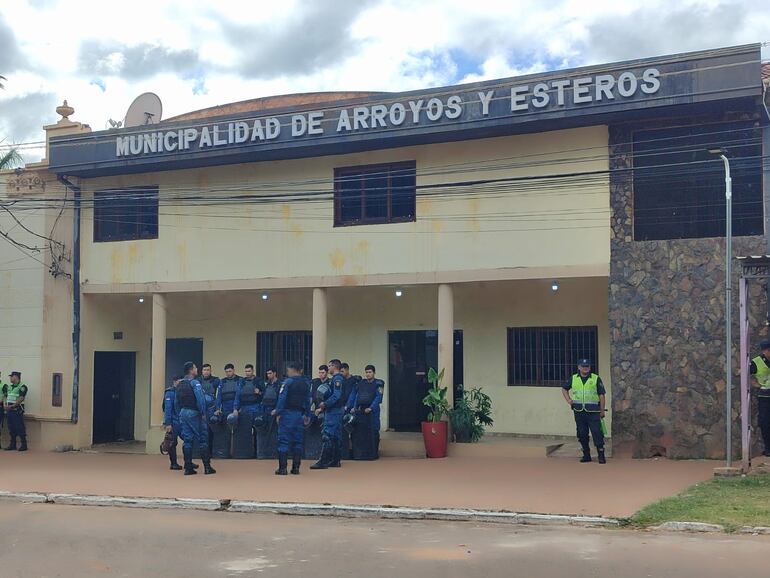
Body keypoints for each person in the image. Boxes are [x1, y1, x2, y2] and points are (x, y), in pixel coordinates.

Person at [174, 362, 216, 475]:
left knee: (187, 440)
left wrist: (180, 414)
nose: (197, 369)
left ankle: (188, 468)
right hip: (194, 413)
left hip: (183, 413)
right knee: (203, 439)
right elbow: (200, 399)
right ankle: (207, 467)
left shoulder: (180, 384)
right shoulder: (195, 383)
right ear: (191, 370)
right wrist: (202, 413)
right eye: (195, 368)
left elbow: (176, 402)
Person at [562, 359, 606, 464]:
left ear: (590, 367)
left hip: (593, 412)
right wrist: (569, 400)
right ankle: (586, 454)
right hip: (579, 411)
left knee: (597, 433)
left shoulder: (596, 378)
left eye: (587, 366)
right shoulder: (574, 378)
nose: (585, 368)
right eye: (583, 366)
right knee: (582, 433)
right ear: (579, 367)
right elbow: (564, 389)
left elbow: (601, 395)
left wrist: (602, 410)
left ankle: (601, 455)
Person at [274, 361, 311, 475]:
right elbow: (308, 401)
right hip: (299, 415)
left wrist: (278, 413)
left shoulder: (287, 382)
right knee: (298, 442)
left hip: (287, 414)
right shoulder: (306, 383)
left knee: (283, 441)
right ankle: (296, 468)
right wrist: (307, 415)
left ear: (291, 370)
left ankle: (283, 468)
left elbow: (282, 399)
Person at [311, 359, 345, 469]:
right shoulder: (335, 379)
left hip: (333, 410)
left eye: (329, 366)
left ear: (334, 366)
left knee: (328, 434)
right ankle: (335, 460)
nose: (328, 368)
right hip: (335, 410)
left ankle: (323, 461)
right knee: (335, 436)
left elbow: (336, 395)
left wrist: (324, 404)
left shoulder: (337, 379)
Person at [350, 364, 384, 460]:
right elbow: (358, 396)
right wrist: (354, 407)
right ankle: (362, 454)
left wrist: (371, 408)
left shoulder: (379, 383)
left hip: (373, 411)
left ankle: (374, 454)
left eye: (370, 372)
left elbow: (378, 397)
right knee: (362, 432)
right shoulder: (362, 383)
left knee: (374, 430)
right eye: (366, 372)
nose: (368, 374)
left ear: (374, 373)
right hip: (361, 411)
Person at [233, 363, 261, 458]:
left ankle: (257, 453)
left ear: (253, 371)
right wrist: (236, 409)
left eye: (249, 371)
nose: (247, 373)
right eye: (246, 371)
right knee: (245, 432)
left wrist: (259, 392)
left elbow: (265, 395)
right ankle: (247, 453)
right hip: (244, 408)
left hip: (256, 407)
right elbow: (238, 396)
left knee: (258, 431)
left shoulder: (259, 381)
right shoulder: (242, 381)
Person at [213, 363, 240, 458]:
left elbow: (238, 396)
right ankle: (226, 453)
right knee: (225, 432)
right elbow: (219, 396)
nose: (228, 373)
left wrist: (235, 409)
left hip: (236, 410)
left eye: (230, 371)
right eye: (227, 372)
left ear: (234, 370)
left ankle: (236, 453)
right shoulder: (222, 382)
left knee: (237, 432)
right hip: (225, 409)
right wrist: (217, 409)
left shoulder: (239, 380)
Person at [750, 340, 770, 457]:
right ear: (766, 351)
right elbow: (744, 373)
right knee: (765, 422)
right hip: (765, 397)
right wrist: (756, 384)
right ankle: (768, 448)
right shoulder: (756, 362)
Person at [305, 365, 330, 461]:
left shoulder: (330, 382)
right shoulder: (315, 382)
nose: (321, 374)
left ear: (326, 373)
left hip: (327, 410)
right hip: (316, 409)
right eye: (319, 372)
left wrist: (321, 409)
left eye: (323, 372)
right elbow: (311, 397)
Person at [256, 367, 281, 459]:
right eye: (267, 374)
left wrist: (278, 410)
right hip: (265, 410)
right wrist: (260, 393)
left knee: (274, 433)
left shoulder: (280, 384)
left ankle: (273, 454)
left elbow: (281, 398)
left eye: (270, 373)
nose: (268, 375)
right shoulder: (267, 384)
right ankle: (265, 453)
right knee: (265, 432)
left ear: (275, 373)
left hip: (274, 410)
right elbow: (265, 396)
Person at [339, 362, 360, 460]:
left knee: (354, 432)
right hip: (343, 408)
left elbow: (355, 395)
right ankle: (345, 454)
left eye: (342, 371)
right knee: (344, 433)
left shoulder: (355, 380)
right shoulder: (340, 381)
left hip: (352, 409)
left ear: (347, 370)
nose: (341, 373)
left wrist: (352, 406)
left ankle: (355, 453)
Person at [162, 376, 184, 470]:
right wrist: (168, 423)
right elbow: (167, 409)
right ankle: (173, 463)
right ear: (175, 381)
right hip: (173, 422)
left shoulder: (182, 392)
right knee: (172, 442)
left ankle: (188, 462)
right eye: (180, 381)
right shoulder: (170, 393)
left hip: (182, 421)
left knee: (188, 440)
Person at [3, 371, 28, 451]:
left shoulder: (22, 387)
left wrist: (12, 406)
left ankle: (24, 445)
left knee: (19, 427)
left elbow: (21, 398)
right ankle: (12, 444)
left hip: (17, 410)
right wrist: (5, 405)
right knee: (11, 428)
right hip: (9, 411)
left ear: (16, 377)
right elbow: (5, 396)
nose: (10, 378)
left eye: (11, 376)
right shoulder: (9, 387)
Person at [199, 363, 221, 449]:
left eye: (208, 370)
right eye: (204, 370)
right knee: (202, 430)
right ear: (202, 371)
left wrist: (217, 408)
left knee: (211, 430)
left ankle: (210, 451)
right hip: (201, 409)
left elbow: (219, 396)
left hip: (212, 409)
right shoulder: (198, 381)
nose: (206, 372)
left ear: (210, 371)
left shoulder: (216, 380)